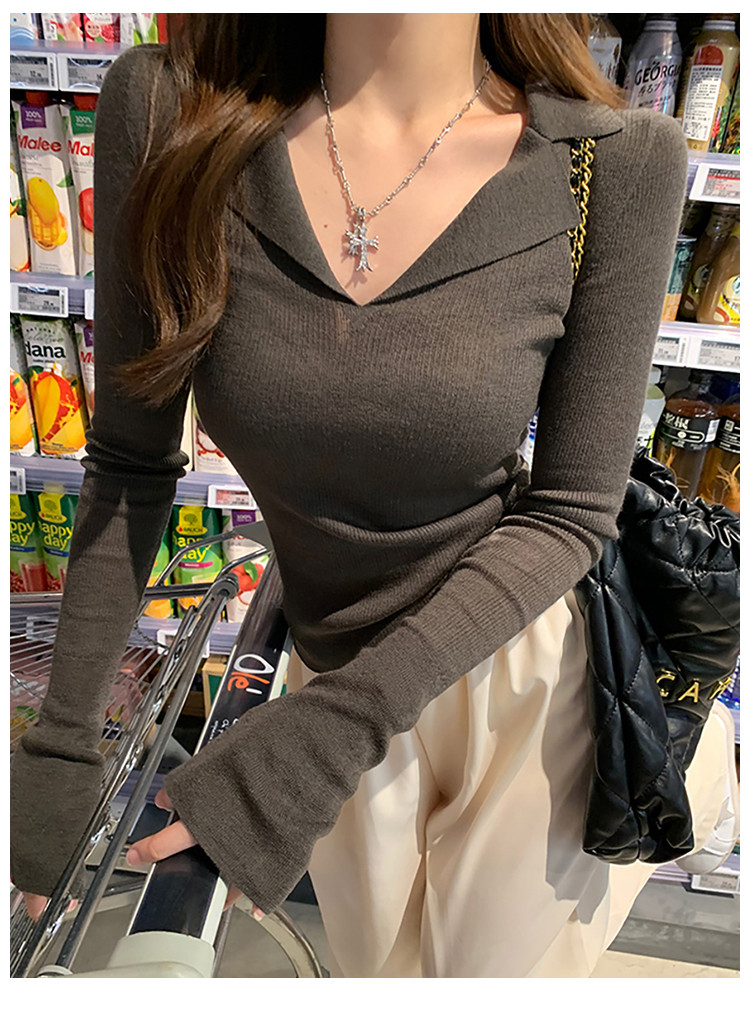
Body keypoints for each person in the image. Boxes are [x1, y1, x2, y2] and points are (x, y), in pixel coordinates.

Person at [10, 13, 734, 978]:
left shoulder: (613, 161)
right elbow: (132, 462)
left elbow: (570, 509)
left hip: (514, 689)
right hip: (328, 674)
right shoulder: (168, 113)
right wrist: (63, 746)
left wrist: (316, 744)